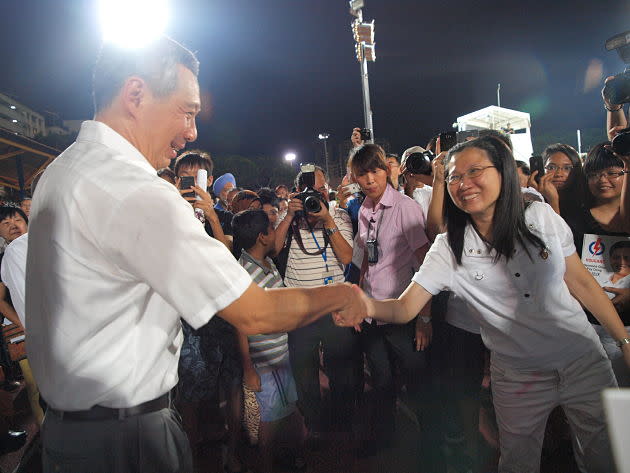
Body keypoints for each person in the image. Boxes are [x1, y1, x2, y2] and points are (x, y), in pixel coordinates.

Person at [26, 36, 366, 473]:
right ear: (135, 95)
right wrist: (342, 295)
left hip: (71, 431)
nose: (192, 131)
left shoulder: (61, 171)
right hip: (124, 441)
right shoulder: (135, 191)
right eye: (186, 111)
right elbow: (257, 313)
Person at [347, 135, 630, 473]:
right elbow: (405, 307)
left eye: (474, 171)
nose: (463, 183)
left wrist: (623, 340)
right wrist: (364, 305)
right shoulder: (447, 247)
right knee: (516, 460)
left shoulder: (539, 216)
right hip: (518, 372)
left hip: (582, 358)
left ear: (502, 172)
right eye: (453, 176)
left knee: (606, 456)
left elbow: (581, 282)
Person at [349, 144, 435, 462]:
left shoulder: (406, 208)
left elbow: (425, 266)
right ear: (355, 177)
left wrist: (424, 319)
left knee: (418, 384)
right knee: (381, 384)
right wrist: (359, 301)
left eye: (375, 170)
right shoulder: (364, 210)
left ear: (387, 170)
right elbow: (365, 262)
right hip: (373, 314)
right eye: (363, 173)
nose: (370, 179)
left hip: (403, 316)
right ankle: (384, 442)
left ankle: (431, 448)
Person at [275, 165, 361, 440]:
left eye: (322, 189)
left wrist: (327, 220)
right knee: (304, 371)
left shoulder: (338, 215)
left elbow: (348, 258)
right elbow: (273, 250)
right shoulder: (288, 217)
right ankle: (314, 424)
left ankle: (342, 420)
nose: (318, 195)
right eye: (311, 190)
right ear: (299, 192)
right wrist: (289, 215)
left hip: (334, 305)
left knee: (341, 369)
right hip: (300, 308)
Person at [234, 209, 305, 473]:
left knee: (287, 412)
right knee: (271, 421)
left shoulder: (265, 261)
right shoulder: (244, 275)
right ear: (263, 237)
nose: (276, 233)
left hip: (280, 353)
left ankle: (294, 457)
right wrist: (248, 369)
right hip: (266, 360)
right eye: (273, 228)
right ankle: (267, 466)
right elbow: (240, 325)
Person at [528, 143, 586, 221]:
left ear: (577, 170)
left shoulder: (585, 202)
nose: (558, 174)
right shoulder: (532, 197)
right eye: (551, 167)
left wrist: (553, 200)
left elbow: (559, 232)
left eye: (567, 168)